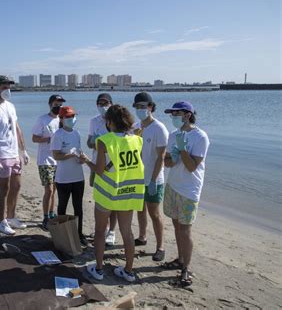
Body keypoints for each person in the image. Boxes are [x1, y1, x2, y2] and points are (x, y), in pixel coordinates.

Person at [82, 104, 145, 283]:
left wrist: (86, 160)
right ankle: (129, 270)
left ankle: (99, 269)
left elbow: (100, 170)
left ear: (109, 122)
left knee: (100, 231)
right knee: (127, 232)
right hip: (129, 192)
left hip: (108, 193)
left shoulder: (104, 140)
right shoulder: (136, 140)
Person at [162, 101, 210, 287]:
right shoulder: (173, 135)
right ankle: (180, 259)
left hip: (189, 190)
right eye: (172, 114)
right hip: (173, 186)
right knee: (176, 226)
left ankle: (185, 269)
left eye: (177, 113)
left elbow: (191, 167)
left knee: (185, 229)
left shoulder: (200, 137)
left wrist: (182, 150)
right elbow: (166, 163)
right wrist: (171, 158)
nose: (173, 117)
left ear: (188, 114)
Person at [0, 75, 30, 235]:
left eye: (9, 87)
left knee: (16, 186)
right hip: (1, 154)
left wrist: (23, 150)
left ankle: (11, 218)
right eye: (4, 87)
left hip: (14, 153)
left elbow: (17, 128)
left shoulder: (11, 106)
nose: (7, 90)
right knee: (4, 188)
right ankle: (1, 222)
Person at [132, 92, 169, 262]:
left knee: (154, 213)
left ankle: (160, 247)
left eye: (143, 106)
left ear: (151, 107)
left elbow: (161, 156)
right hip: (138, 177)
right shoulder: (136, 126)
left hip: (154, 178)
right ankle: (142, 237)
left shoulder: (159, 128)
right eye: (137, 106)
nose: (140, 109)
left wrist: (153, 180)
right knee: (140, 209)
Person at [50, 106, 88, 246]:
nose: (71, 119)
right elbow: (56, 155)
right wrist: (70, 154)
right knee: (62, 206)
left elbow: (79, 151)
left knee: (78, 207)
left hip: (78, 176)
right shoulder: (58, 134)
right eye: (68, 117)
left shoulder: (76, 133)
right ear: (61, 119)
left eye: (73, 116)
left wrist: (81, 157)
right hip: (63, 178)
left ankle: (79, 234)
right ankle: (61, 233)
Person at [87, 93, 118, 246]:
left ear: (111, 104)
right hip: (96, 164)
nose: (103, 106)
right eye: (100, 103)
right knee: (100, 198)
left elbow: (120, 144)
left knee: (113, 201)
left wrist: (103, 145)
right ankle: (102, 228)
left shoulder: (117, 122)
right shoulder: (94, 121)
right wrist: (96, 143)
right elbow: (89, 142)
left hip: (113, 168)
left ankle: (112, 231)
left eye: (106, 103)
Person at [32, 94, 66, 229]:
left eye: (60, 104)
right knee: (49, 190)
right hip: (45, 160)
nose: (58, 107)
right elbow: (34, 138)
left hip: (58, 160)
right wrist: (48, 139)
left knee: (55, 190)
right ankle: (45, 217)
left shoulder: (62, 120)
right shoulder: (43, 120)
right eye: (56, 104)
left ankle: (52, 214)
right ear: (50, 104)